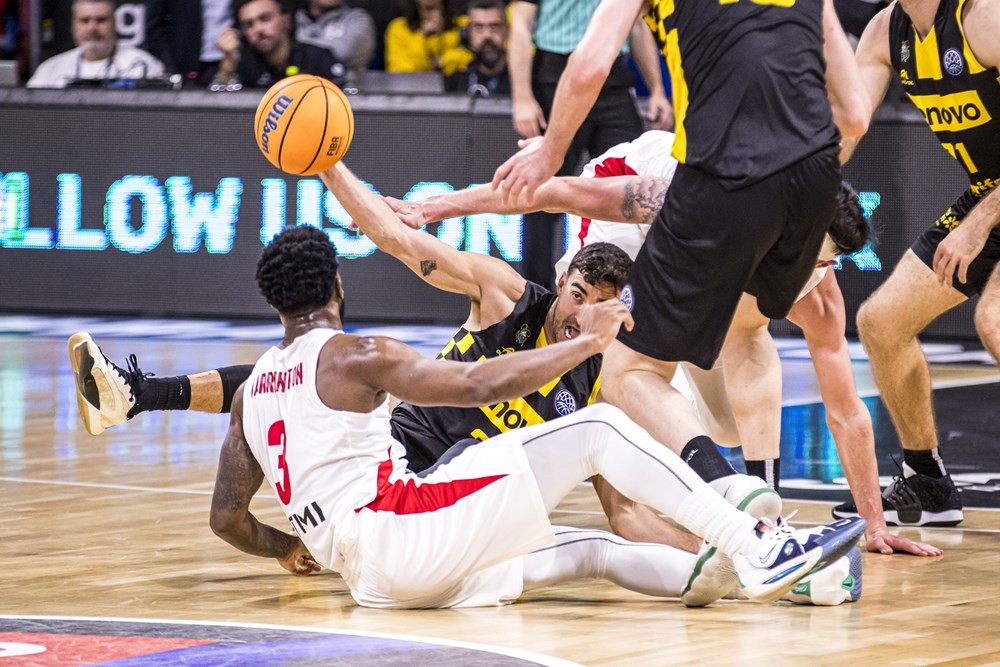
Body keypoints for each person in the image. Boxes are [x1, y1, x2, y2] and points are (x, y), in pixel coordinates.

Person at [205, 167, 866, 609]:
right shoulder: (497, 301)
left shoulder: (256, 388)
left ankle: (771, 574)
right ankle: (760, 541)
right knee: (597, 431)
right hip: (414, 502)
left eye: (598, 306)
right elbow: (409, 256)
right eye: (577, 295)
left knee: (597, 549)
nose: (581, 313)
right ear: (562, 282)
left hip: (395, 565)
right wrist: (330, 166)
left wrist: (708, 545)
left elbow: (627, 517)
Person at [484, 0, 870, 548]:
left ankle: (739, 502)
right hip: (749, 181)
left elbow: (590, 65)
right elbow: (854, 115)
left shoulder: (814, 273)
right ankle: (733, 508)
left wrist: (547, 153)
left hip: (715, 179)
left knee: (662, 380)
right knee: (636, 351)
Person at [830, 0, 1000, 527]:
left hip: (991, 204)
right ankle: (928, 480)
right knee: (882, 322)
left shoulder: (986, 18)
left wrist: (978, 224)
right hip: (989, 192)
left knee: (994, 319)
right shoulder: (886, 30)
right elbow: (844, 133)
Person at [508, 0, 671, 289]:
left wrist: (657, 87)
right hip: (557, 75)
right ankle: (535, 295)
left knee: (632, 186)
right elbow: (520, 24)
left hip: (613, 76)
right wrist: (522, 96)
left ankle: (631, 292)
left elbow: (637, 24)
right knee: (540, 191)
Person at [27, 0, 166, 89]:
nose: (92, 28)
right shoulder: (49, 70)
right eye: (85, 20)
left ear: (115, 23)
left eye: (101, 20)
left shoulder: (142, 65)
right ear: (73, 26)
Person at [213, 0, 346, 90]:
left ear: (286, 20)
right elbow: (215, 113)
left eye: (265, 19)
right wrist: (227, 66)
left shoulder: (319, 58)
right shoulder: (243, 63)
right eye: (249, 24)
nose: (258, 30)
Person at [384, 0, 472, 76]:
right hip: (414, 88)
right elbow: (399, 72)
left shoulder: (464, 24)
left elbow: (472, 63)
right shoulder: (399, 28)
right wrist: (422, 35)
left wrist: (440, 63)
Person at [443, 0, 509, 97]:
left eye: (494, 27)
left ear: (507, 31)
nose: (487, 35)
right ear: (468, 33)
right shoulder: (454, 83)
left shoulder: (524, 81)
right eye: (479, 27)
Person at [294, 0, 376, 79]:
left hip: (345, 85)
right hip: (294, 84)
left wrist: (297, 47)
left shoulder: (357, 19)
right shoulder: (294, 18)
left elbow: (341, 53)